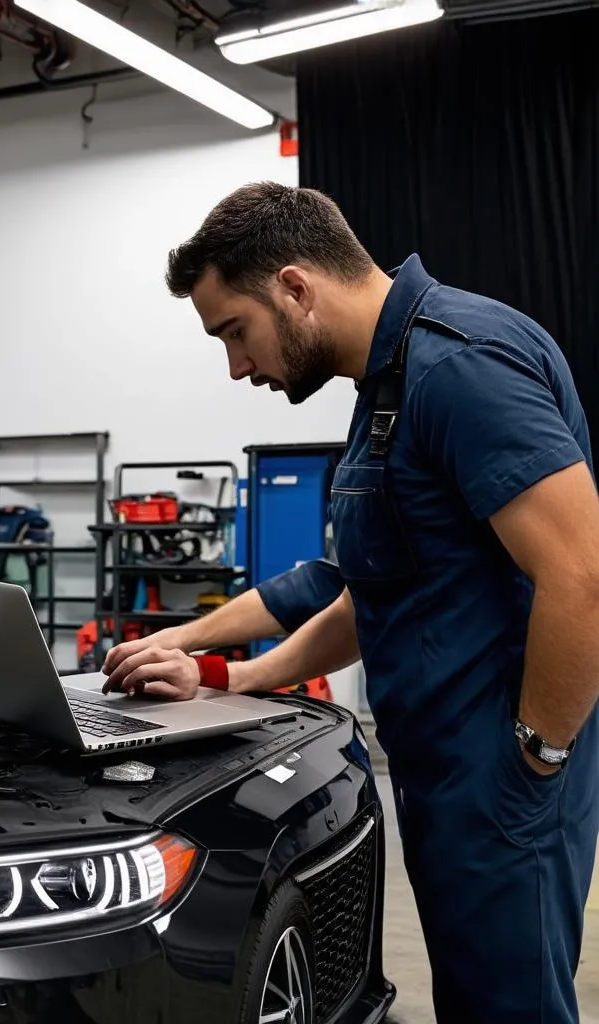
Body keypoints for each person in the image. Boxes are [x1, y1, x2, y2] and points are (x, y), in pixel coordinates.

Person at [101, 182, 599, 1023]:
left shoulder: (459, 365)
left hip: (499, 779)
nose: (236, 366)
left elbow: (582, 575)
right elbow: (369, 595)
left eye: (234, 332)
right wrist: (233, 676)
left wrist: (535, 760)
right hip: (451, 776)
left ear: (295, 288)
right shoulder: (388, 385)